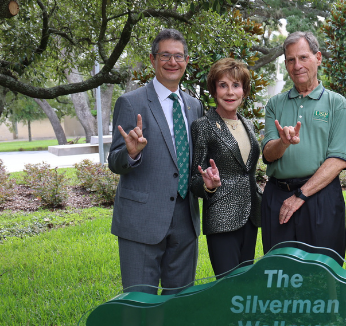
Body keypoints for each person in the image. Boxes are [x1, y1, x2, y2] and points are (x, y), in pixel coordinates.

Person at [107, 28, 204, 295]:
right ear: (152, 60)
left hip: (186, 219)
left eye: (179, 56)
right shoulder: (131, 102)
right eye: (165, 56)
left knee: (178, 304)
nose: (172, 62)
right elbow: (114, 161)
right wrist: (132, 153)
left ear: (186, 61)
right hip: (142, 220)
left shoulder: (194, 106)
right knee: (140, 304)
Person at [262, 31, 346, 258]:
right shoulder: (275, 104)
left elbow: (338, 159)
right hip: (278, 197)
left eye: (303, 57)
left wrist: (301, 195)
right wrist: (283, 143)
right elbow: (268, 154)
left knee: (322, 272)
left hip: (320, 198)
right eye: (291, 60)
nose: (297, 65)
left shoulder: (336, 103)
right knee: (279, 273)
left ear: (318, 58)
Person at [190, 58, 262, 278]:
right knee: (228, 289)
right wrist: (208, 185)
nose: (230, 92)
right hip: (221, 219)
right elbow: (194, 179)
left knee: (245, 289)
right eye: (223, 85)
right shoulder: (203, 126)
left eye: (236, 85)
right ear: (214, 90)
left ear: (244, 90)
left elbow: (246, 170)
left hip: (251, 218)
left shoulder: (248, 124)